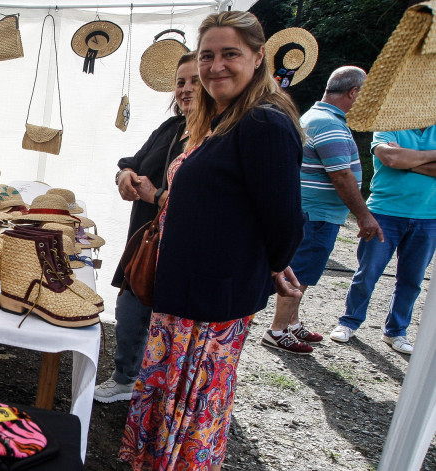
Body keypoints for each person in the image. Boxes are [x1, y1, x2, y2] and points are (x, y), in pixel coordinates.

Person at [119, 11, 305, 470]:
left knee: (193, 404)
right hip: (185, 291)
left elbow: (283, 218)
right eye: (208, 56)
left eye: (230, 54)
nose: (215, 66)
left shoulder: (264, 124)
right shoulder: (223, 119)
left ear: (259, 57)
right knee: (171, 398)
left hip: (211, 300)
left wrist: (271, 264)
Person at [95, 51, 199, 404]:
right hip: (145, 242)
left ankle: (158, 393)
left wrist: (156, 196)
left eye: (195, 81)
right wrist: (124, 176)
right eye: (181, 82)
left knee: (164, 325)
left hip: (182, 250)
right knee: (130, 311)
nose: (186, 89)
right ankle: (126, 378)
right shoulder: (172, 129)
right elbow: (131, 163)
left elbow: (210, 205)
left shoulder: (215, 139)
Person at [264, 66, 383, 355]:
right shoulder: (327, 122)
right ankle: (278, 330)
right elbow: (340, 174)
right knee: (300, 273)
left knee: (305, 271)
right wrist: (364, 215)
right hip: (314, 213)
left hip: (317, 213)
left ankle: (291, 323)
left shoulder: (320, 118)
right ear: (353, 92)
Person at [328, 124, 436, 354]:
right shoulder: (389, 126)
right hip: (384, 212)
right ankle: (348, 321)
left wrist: (407, 159)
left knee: (412, 280)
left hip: (429, 217)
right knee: (368, 272)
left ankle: (396, 331)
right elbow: (390, 159)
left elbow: (397, 159)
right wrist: (408, 160)